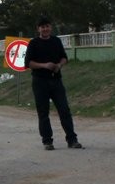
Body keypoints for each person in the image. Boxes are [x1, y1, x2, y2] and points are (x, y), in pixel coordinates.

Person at [25, 16, 82, 151]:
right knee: (43, 113)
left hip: (56, 81)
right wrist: (45, 65)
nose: (45, 29)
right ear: (38, 29)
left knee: (64, 110)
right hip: (40, 81)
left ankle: (72, 140)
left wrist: (59, 65)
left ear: (50, 27)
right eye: (42, 27)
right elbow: (28, 63)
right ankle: (47, 141)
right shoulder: (33, 43)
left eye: (47, 26)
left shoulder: (56, 41)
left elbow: (64, 58)